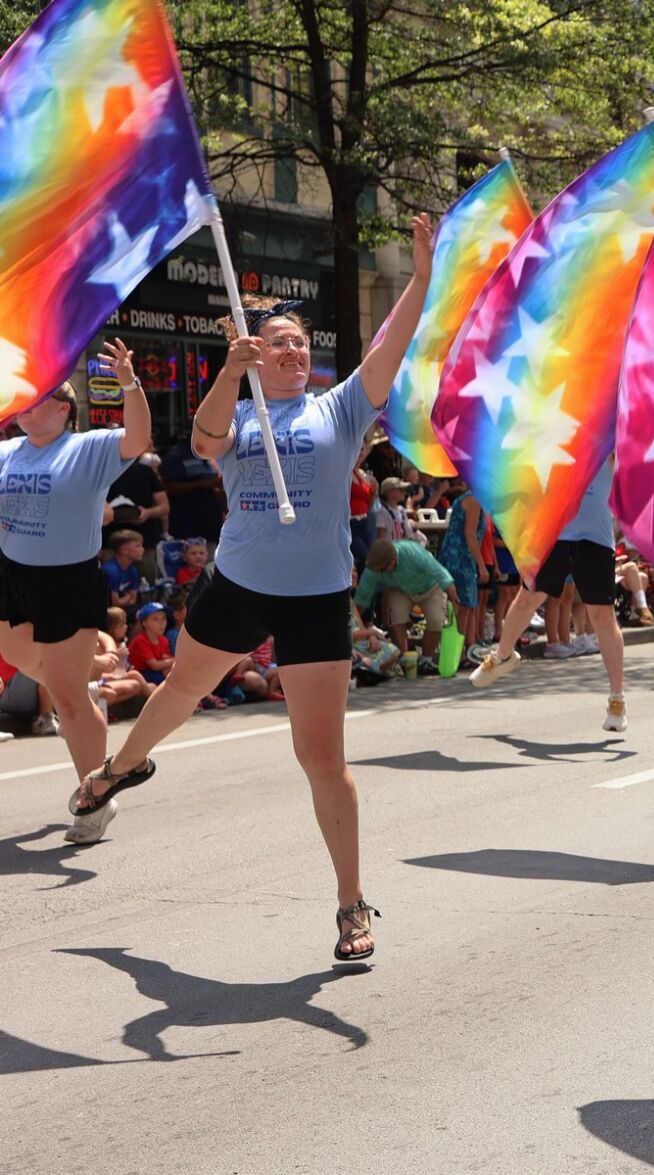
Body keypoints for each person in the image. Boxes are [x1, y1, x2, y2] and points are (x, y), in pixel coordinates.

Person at [70, 214, 437, 962]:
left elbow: (389, 345)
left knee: (321, 758)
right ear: (257, 354)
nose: (294, 350)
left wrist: (423, 276)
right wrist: (230, 369)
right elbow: (203, 444)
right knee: (176, 691)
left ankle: (349, 903)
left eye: (301, 343)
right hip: (239, 583)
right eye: (279, 343)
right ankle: (117, 768)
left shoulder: (341, 406)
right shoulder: (238, 410)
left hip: (314, 598)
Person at [0, 343, 151, 845]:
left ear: (63, 408)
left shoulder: (88, 448)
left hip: (67, 581)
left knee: (65, 697)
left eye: (34, 400)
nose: (22, 407)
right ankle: (78, 692)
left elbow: (139, 436)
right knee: (18, 656)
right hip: (10, 576)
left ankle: (95, 799)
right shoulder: (5, 452)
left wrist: (129, 381)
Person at [469, 463, 631, 732]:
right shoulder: (553, 433)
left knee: (603, 616)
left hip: (596, 540)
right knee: (527, 599)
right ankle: (502, 657)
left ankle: (617, 700)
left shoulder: (607, 435)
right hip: (555, 535)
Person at [356, 538, 459, 676]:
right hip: (399, 590)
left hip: (429, 587)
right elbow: (362, 599)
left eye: (383, 570)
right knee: (397, 617)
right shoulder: (373, 568)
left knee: (436, 620)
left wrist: (454, 600)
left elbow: (441, 574)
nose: (380, 573)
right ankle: (404, 660)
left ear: (393, 561)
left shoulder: (412, 553)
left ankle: (426, 660)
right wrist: (352, 625)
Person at [436, 482, 489, 655]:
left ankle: (465, 648)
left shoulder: (470, 499)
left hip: (460, 556)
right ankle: (455, 652)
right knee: (463, 605)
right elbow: (470, 535)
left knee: (466, 605)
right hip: (458, 557)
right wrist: (481, 565)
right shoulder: (473, 500)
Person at [103, 441, 169, 576]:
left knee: (147, 587)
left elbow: (164, 507)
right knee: (111, 589)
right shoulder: (101, 473)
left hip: (143, 542)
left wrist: (146, 513)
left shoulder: (146, 472)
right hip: (110, 542)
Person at [127, 601, 175, 685]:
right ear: (144, 623)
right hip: (139, 674)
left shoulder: (164, 640)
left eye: (164, 618)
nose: (161, 623)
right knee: (173, 669)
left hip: (154, 673)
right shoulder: (140, 640)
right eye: (155, 619)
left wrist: (169, 659)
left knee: (175, 668)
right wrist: (177, 659)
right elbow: (155, 666)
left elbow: (165, 658)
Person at [101, 529, 146, 614]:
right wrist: (127, 598)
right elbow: (114, 604)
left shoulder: (133, 570)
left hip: (123, 609)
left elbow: (133, 600)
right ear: (124, 550)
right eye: (138, 546)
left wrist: (125, 599)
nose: (143, 549)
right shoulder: (111, 571)